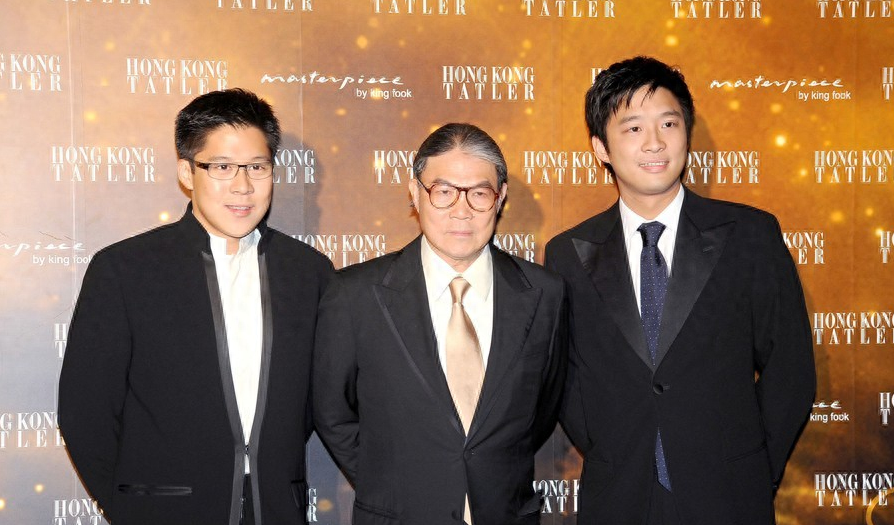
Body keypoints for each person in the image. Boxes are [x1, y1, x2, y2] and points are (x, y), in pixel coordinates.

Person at [544, 56, 815, 524]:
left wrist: (752, 470)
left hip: (730, 497)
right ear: (600, 148)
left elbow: (790, 369)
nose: (654, 142)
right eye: (633, 128)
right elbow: (565, 378)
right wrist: (612, 448)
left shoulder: (749, 235)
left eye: (668, 123)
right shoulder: (568, 253)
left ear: (687, 134)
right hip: (618, 498)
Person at [58, 88, 333, 525]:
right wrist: (131, 509)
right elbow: (84, 411)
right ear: (187, 172)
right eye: (221, 167)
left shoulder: (309, 272)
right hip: (164, 511)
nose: (242, 186)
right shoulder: (125, 269)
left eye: (257, 167)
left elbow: (321, 405)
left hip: (277, 510)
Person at [313, 123, 567, 525]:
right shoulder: (355, 294)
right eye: (443, 191)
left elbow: (541, 412)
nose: (461, 210)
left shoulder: (545, 294)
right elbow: (333, 413)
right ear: (415, 194)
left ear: (500, 198)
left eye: (479, 193)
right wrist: (393, 483)